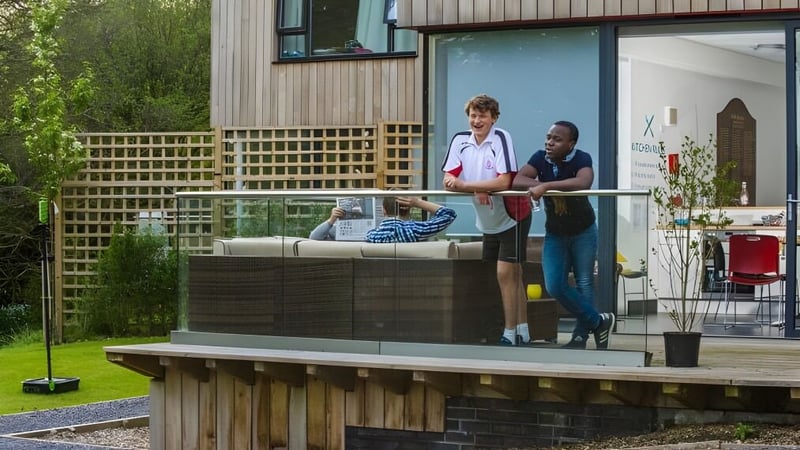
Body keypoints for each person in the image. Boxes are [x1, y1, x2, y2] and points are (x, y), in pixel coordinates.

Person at [512, 120, 615, 349]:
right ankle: (599, 321)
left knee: (584, 282)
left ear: (571, 144)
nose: (550, 142)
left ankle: (580, 336)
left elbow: (584, 182)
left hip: (584, 231)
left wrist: (545, 186)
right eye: (548, 137)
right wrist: (539, 184)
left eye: (557, 139)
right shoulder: (540, 157)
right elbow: (518, 180)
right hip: (556, 233)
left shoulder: (581, 158)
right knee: (554, 285)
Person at [442, 94, 532, 346]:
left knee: (506, 273)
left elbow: (504, 181)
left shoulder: (501, 138)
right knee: (513, 275)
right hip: (488, 220)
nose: (477, 120)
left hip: (513, 215)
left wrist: (471, 185)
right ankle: (524, 330)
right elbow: (448, 181)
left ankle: (510, 334)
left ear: (494, 118)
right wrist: (478, 188)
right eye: (473, 115)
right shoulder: (460, 140)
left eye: (483, 115)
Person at [365, 196, 456, 243]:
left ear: (383, 210)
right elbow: (449, 214)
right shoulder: (413, 230)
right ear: (408, 208)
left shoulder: (371, 235)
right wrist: (417, 202)